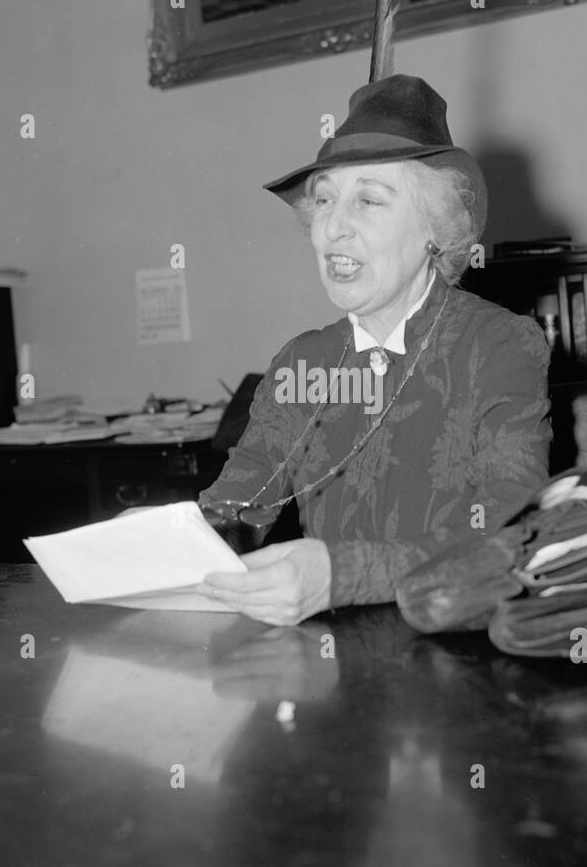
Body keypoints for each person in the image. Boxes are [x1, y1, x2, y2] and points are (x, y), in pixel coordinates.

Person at [196, 72, 552, 624]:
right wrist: (174, 548)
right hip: (330, 662)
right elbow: (239, 503)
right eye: (324, 201)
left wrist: (342, 576)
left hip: (456, 656)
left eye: (369, 201)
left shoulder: (498, 345)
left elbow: (506, 526)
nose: (332, 228)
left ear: (436, 226)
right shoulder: (304, 362)